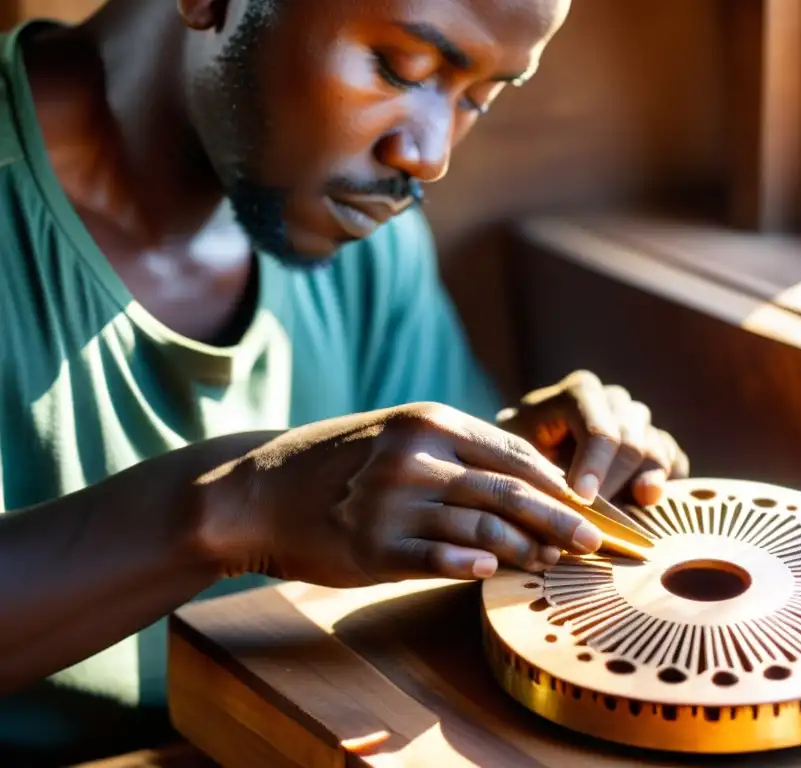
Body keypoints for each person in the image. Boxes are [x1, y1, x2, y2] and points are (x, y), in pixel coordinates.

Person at [0, 0, 689, 763]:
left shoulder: (360, 235)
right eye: (402, 69)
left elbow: (405, 538)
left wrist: (504, 486)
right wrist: (235, 504)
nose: (429, 156)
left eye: (478, 99)